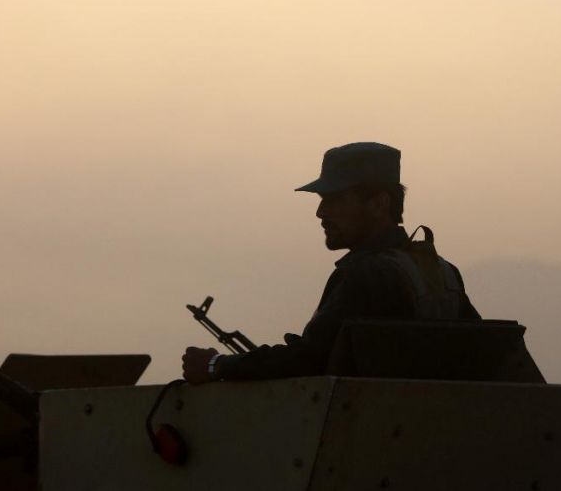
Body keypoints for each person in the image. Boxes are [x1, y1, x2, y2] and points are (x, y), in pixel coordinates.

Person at [181, 142, 481, 384]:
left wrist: (215, 365)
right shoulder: (442, 272)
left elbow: (308, 360)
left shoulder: (367, 274)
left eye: (335, 199)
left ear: (379, 204)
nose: (321, 212)